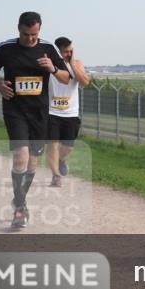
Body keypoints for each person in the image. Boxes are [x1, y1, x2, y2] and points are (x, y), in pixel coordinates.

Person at [0, 11, 69, 229]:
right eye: (25, 34)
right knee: (20, 156)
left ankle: (19, 198)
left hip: (40, 112)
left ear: (39, 30)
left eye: (34, 34)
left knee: (32, 163)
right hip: (15, 109)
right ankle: (20, 209)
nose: (30, 38)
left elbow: (66, 77)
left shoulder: (48, 48)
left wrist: (53, 68)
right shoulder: (6, 47)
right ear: (18, 28)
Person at [46, 36, 91, 188]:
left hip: (71, 113)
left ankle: (60, 160)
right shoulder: (51, 65)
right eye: (65, 52)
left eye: (71, 51)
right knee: (52, 144)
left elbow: (84, 83)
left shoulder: (77, 64)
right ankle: (55, 176)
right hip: (52, 111)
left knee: (68, 147)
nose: (69, 54)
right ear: (58, 52)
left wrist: (72, 64)